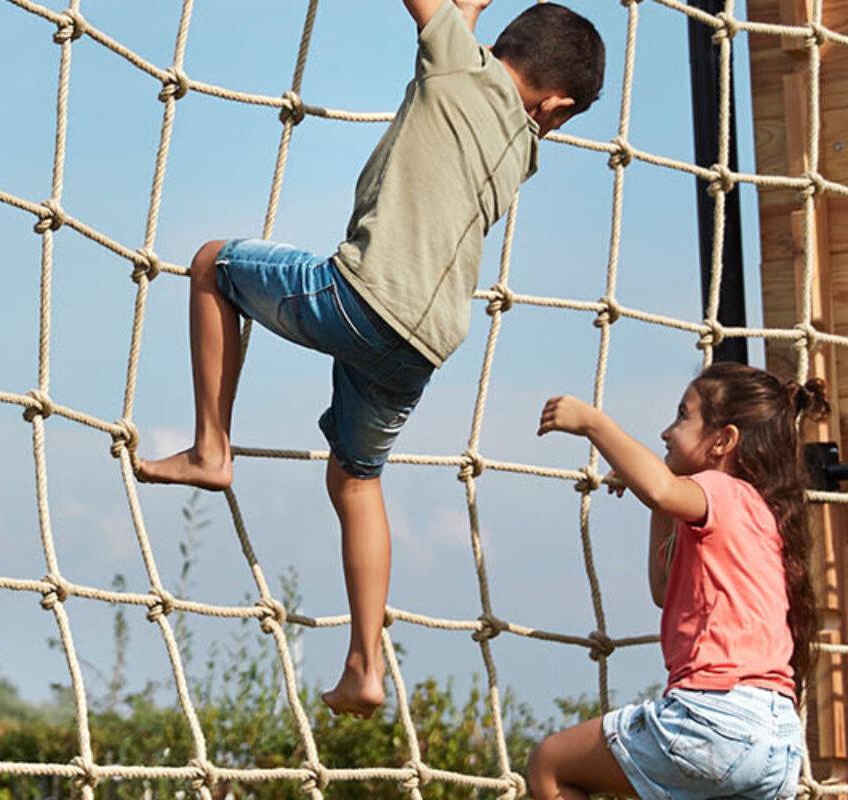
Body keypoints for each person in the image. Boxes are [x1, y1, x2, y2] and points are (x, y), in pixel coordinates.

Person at [137, 0, 605, 718]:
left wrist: (461, 12)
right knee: (356, 480)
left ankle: (211, 448)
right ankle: (364, 666)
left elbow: (442, 30)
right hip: (423, 346)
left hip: (357, 299)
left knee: (210, 265)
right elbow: (471, 77)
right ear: (557, 106)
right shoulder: (525, 149)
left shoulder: (459, 64)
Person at [528, 362, 824, 800]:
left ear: (723, 440)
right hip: (778, 742)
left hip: (715, 721)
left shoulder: (723, 490)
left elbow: (662, 488)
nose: (666, 432)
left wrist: (594, 424)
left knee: (549, 765)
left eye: (682, 416)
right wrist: (658, 508)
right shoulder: (765, 514)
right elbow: (664, 590)